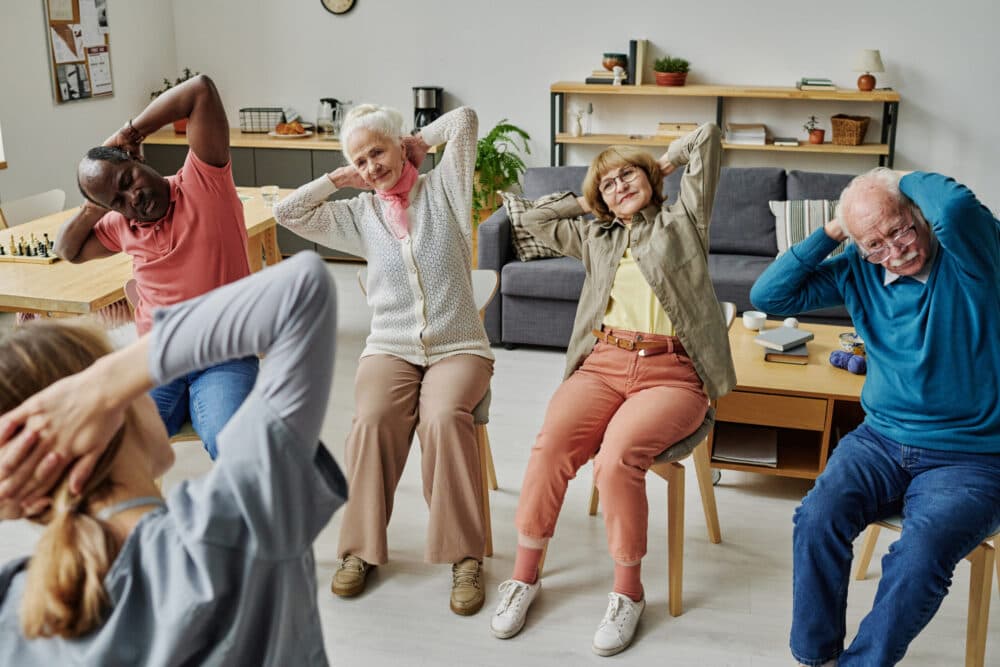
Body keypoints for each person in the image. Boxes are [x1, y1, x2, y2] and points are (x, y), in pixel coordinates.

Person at [0, 251, 347, 665]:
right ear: (105, 408)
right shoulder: (232, 524)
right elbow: (303, 287)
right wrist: (103, 383)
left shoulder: (18, 605)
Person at [489, 124, 736, 656]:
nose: (619, 185)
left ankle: (628, 593)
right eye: (608, 183)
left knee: (617, 459)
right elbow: (530, 219)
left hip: (672, 373)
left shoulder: (683, 220)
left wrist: (661, 164)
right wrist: (588, 199)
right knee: (550, 447)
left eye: (628, 174)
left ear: (648, 177)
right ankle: (524, 577)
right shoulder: (595, 237)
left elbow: (708, 138)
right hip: (601, 364)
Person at [749, 168, 1000, 666]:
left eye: (900, 230)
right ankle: (816, 656)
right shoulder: (857, 269)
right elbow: (769, 297)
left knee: (919, 554)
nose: (895, 251)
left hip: (973, 456)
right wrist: (836, 229)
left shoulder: (971, 258)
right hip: (880, 440)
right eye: (875, 244)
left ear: (917, 214)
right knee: (816, 518)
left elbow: (954, 208)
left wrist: (900, 177)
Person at [274, 105, 494, 615]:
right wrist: (337, 178)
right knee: (372, 421)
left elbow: (463, 120)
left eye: (378, 151)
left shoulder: (445, 188)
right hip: (390, 348)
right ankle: (359, 551)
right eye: (361, 160)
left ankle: (465, 557)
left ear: (400, 146)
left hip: (458, 345)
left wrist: (419, 142)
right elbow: (288, 213)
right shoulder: (359, 215)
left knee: (443, 418)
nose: (372, 166)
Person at [54, 74, 257, 460]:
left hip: (223, 357)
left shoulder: (203, 184)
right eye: (118, 201)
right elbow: (67, 249)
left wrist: (131, 132)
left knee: (235, 446)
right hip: (156, 359)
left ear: (138, 158)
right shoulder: (121, 225)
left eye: (127, 179)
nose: (133, 198)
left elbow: (200, 89)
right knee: (112, 452)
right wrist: (95, 207)